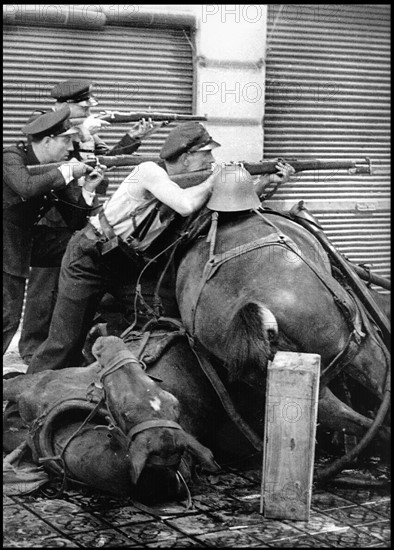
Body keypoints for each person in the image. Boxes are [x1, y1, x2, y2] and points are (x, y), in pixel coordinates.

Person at [27, 121, 294, 375]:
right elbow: (186, 205)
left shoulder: (193, 186)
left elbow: (223, 210)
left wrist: (266, 183)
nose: (212, 162)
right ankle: (19, 409)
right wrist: (214, 180)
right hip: (90, 257)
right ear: (187, 157)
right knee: (64, 342)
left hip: (129, 263)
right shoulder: (148, 171)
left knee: (161, 318)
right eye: (207, 156)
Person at [18, 79, 162, 364]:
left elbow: (100, 161)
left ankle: (65, 346)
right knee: (43, 287)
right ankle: (33, 348)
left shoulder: (86, 132)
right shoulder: (42, 121)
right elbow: (47, 165)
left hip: (80, 209)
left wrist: (132, 138)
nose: (86, 110)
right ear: (63, 105)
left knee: (70, 285)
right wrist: (83, 132)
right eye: (81, 106)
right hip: (51, 216)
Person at [3, 106, 105, 356]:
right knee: (7, 315)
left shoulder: (54, 167)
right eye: (66, 141)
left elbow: (74, 221)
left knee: (80, 243)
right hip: (6, 242)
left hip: (22, 240)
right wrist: (66, 171)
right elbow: (25, 187)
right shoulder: (11, 157)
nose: (70, 149)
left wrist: (88, 191)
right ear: (48, 141)